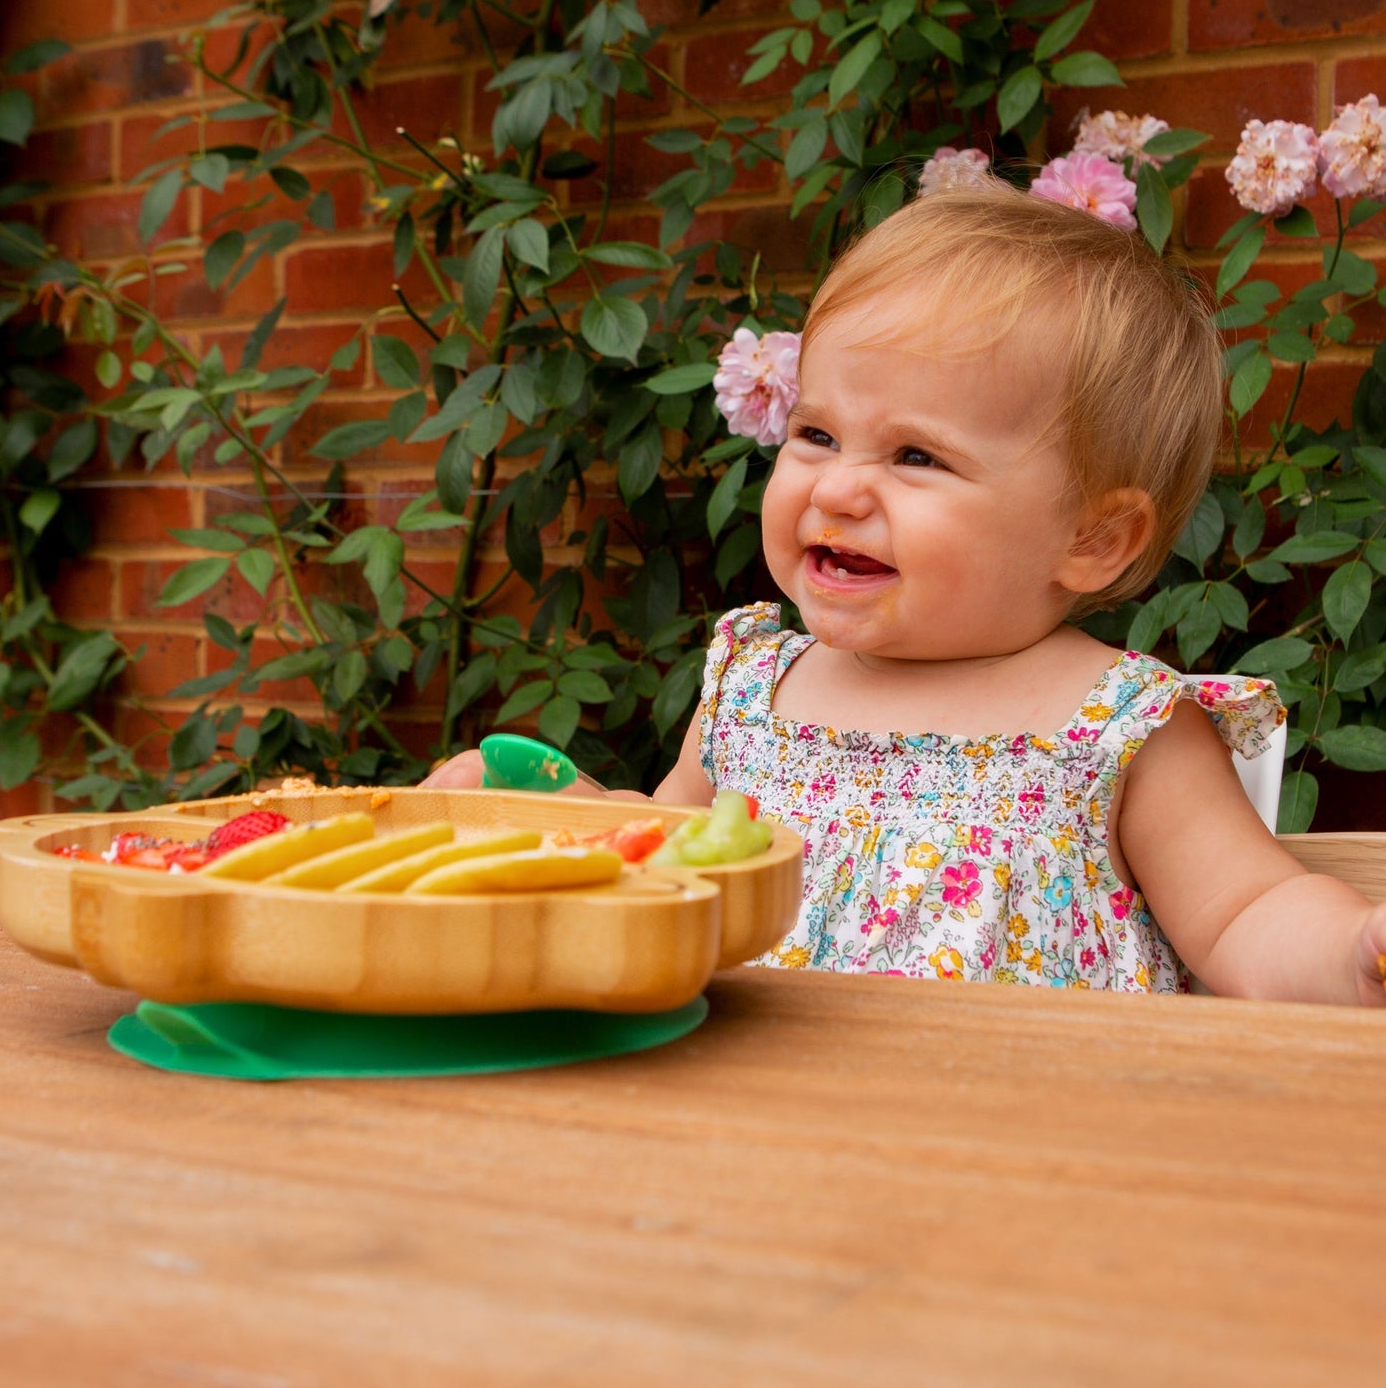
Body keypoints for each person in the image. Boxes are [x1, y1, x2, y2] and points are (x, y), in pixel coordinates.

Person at [429, 188, 1386, 1005]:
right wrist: (560, 819)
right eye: (814, 435)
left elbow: (1246, 914)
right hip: (748, 1138)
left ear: (1091, 538)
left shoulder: (1119, 726)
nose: (837, 488)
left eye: (915, 455)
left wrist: (1357, 952)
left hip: (1015, 1159)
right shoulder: (755, 686)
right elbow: (674, 854)